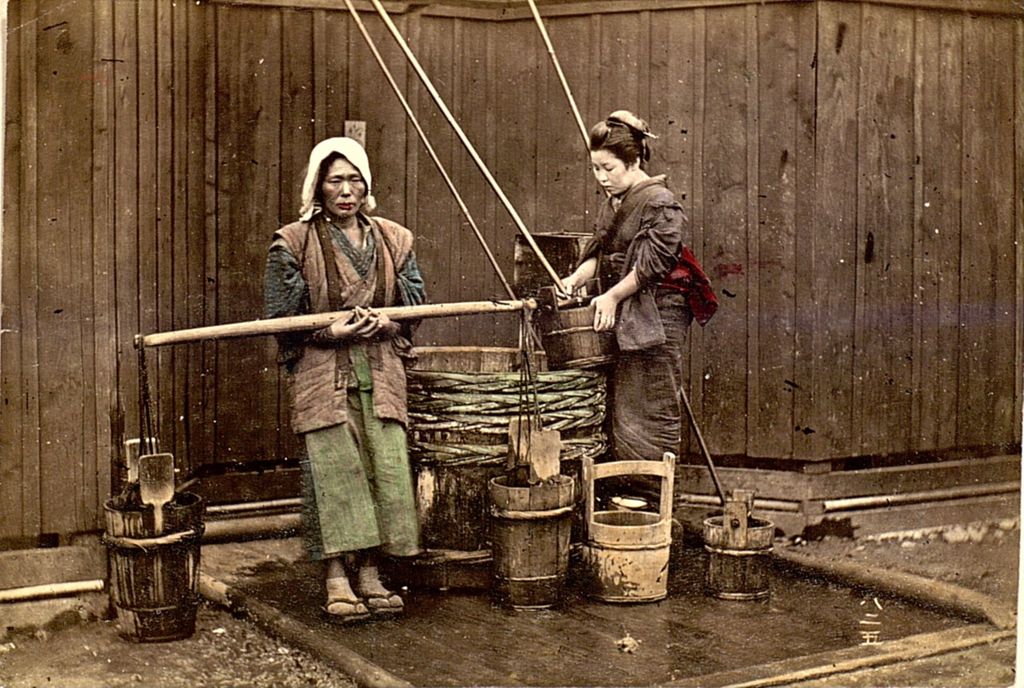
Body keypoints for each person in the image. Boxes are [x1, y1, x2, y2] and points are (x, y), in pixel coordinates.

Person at [264, 137, 426, 621]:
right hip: (323, 371)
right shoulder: (291, 242)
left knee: (387, 469)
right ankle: (336, 575)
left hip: (380, 370)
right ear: (318, 185)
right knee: (334, 472)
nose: (346, 190)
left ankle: (371, 573)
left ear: (367, 185)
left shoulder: (395, 239)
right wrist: (327, 329)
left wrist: (391, 322)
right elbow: (279, 316)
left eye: (355, 180)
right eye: (335, 180)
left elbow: (414, 304)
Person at [560, 110, 716, 474]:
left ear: (633, 161)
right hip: (628, 305)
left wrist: (612, 296)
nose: (601, 178)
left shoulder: (660, 203)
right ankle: (628, 495)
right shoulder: (612, 202)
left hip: (658, 311)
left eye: (609, 168)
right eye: (595, 169)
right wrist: (576, 279)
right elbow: (601, 252)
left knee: (652, 398)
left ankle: (653, 500)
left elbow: (650, 266)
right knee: (624, 403)